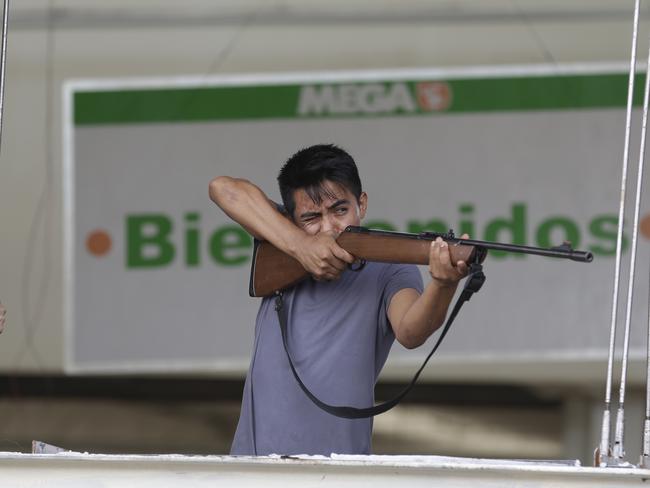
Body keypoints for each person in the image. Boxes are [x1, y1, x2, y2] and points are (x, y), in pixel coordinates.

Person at [209, 144, 469, 456]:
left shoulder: (391, 267)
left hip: (340, 470)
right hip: (255, 468)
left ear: (363, 204)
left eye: (340, 210)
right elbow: (222, 188)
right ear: (290, 219)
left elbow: (411, 332)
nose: (329, 227)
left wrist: (442, 285)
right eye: (311, 217)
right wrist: (300, 246)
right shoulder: (281, 238)